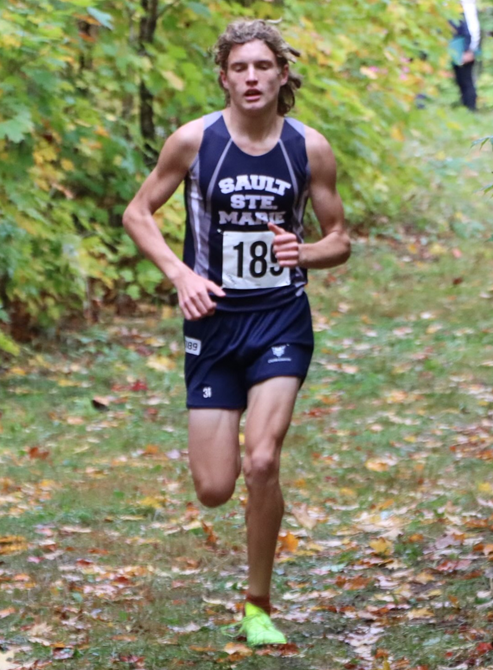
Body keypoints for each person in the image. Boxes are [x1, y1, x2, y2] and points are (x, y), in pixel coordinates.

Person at [122, 19, 350, 646]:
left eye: (263, 67)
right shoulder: (194, 141)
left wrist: (304, 254)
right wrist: (179, 274)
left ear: (282, 76)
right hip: (212, 325)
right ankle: (249, 568)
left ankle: (258, 604)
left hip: (280, 318)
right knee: (215, 488)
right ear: (224, 77)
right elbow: (137, 213)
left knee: (263, 458)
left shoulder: (310, 148)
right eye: (240, 68)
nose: (252, 78)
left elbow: (339, 241)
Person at [449, 0, 482, 111]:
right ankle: (466, 107)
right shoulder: (454, 7)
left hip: (464, 49)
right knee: (461, 80)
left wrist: (469, 51)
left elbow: (472, 30)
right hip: (456, 49)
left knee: (466, 80)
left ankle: (471, 109)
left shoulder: (467, 7)